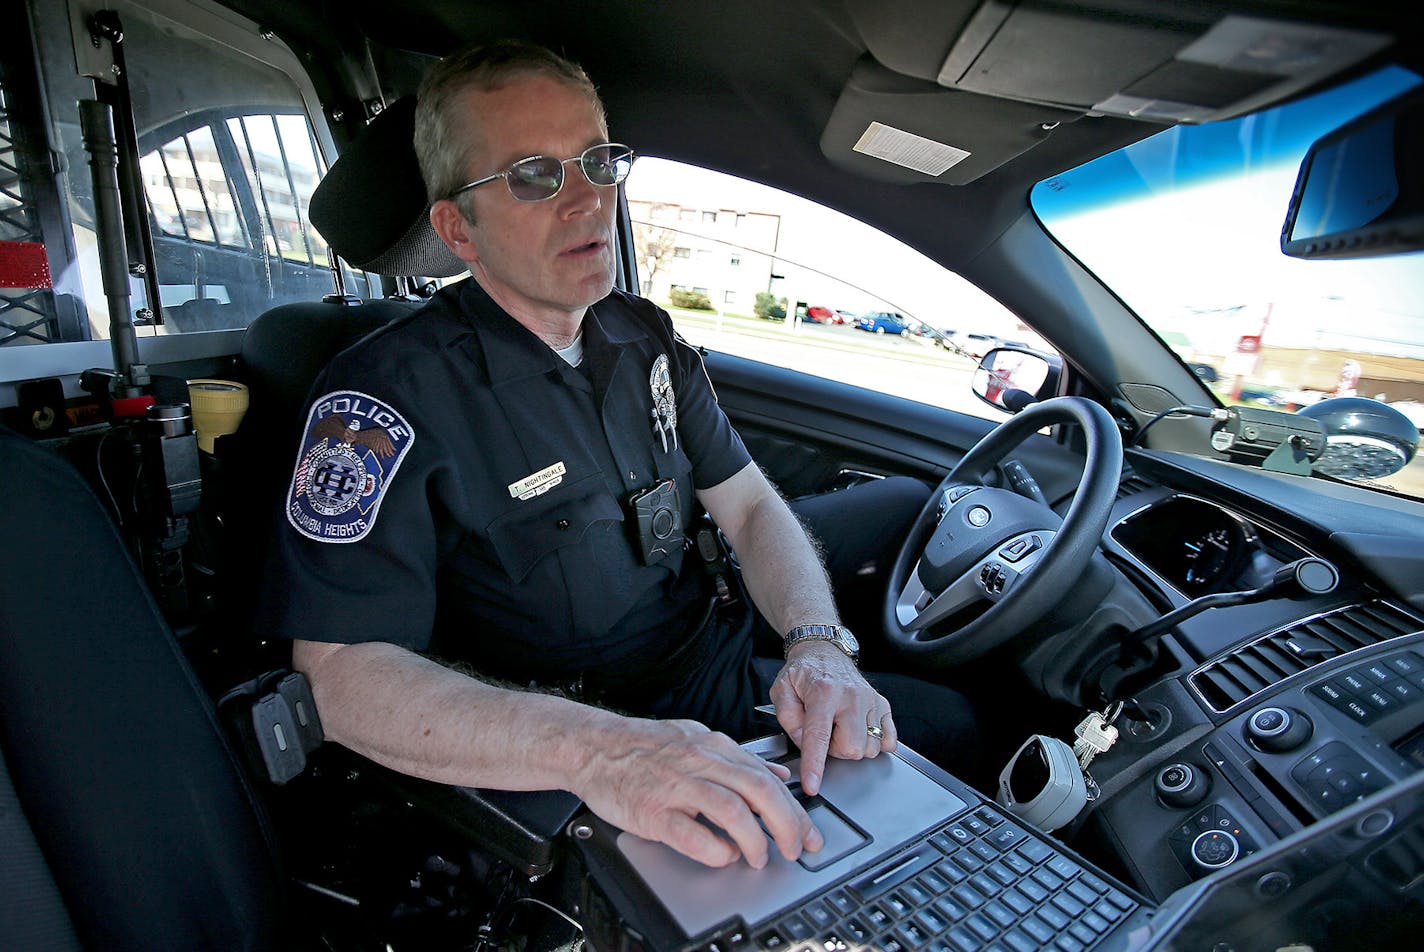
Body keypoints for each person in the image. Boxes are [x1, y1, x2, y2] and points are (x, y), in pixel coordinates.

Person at [262, 40, 976, 872]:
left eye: (598, 162)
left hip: (710, 655)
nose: (588, 202)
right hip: (585, 736)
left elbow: (745, 505)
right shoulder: (382, 403)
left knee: (920, 567)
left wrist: (816, 643)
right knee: (930, 747)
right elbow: (340, 678)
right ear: (458, 227)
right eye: (534, 176)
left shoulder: (644, 337)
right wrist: (600, 753)